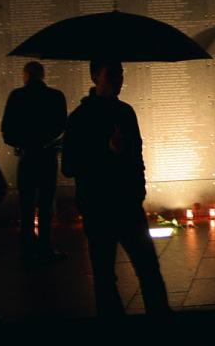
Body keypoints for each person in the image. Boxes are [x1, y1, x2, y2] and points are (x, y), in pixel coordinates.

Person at [62, 60, 170, 317]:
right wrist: (106, 150)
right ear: (94, 77)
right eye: (112, 74)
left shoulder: (125, 112)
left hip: (126, 202)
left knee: (146, 268)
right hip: (99, 205)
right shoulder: (80, 118)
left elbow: (136, 154)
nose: (119, 80)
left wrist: (139, 188)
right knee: (108, 273)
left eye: (120, 74)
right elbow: (69, 166)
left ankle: (157, 320)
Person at [1, 61, 67, 263]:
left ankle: (27, 250)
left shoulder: (17, 97)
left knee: (26, 205)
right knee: (46, 205)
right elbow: (61, 127)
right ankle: (45, 248)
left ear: (26, 75)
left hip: (27, 157)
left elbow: (7, 131)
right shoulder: (56, 97)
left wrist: (22, 143)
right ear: (43, 75)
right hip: (47, 157)